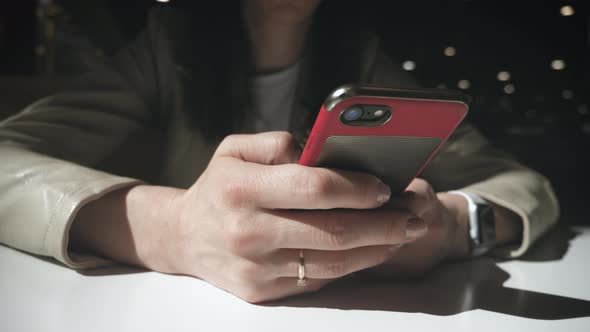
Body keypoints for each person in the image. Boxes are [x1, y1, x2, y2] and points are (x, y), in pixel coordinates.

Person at [0, 0, 559, 303]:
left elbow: (521, 185)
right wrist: (171, 228)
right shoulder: (167, 46)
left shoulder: (361, 59)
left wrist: (450, 228)